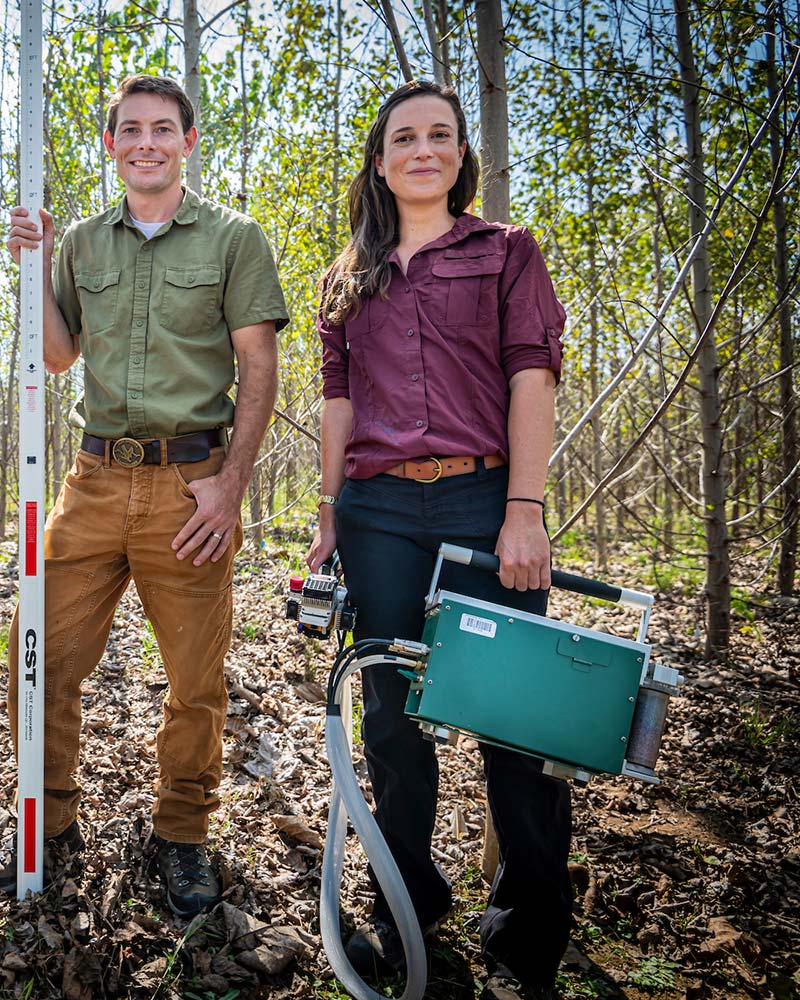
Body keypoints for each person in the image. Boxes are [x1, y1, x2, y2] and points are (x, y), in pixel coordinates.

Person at [0, 74, 288, 919]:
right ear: (111, 145)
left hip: (190, 485)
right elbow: (60, 356)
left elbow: (259, 365)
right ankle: (48, 822)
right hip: (93, 480)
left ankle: (180, 837)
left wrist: (229, 487)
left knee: (194, 681)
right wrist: (33, 267)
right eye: (130, 129)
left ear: (188, 141)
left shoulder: (234, 238)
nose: (146, 141)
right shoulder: (83, 246)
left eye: (162, 129)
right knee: (42, 658)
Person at [308, 80, 568, 1000]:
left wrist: (525, 508)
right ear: (380, 161)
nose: (424, 149)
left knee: (515, 726)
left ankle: (525, 946)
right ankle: (408, 917)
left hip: (482, 502)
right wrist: (332, 509)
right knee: (392, 722)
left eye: (441, 136)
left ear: (461, 156)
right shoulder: (347, 275)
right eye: (404, 138)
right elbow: (339, 402)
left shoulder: (506, 253)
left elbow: (531, 377)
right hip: (378, 515)